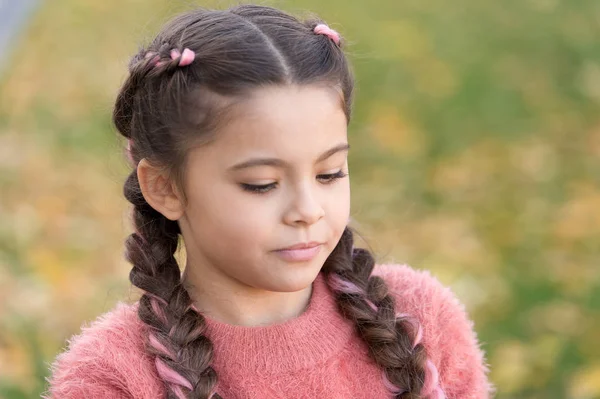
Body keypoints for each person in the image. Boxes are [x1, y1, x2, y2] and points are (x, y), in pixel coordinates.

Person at [42, 4, 495, 399]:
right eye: (261, 184)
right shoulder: (112, 375)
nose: (308, 209)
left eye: (329, 173)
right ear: (165, 188)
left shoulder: (421, 318)